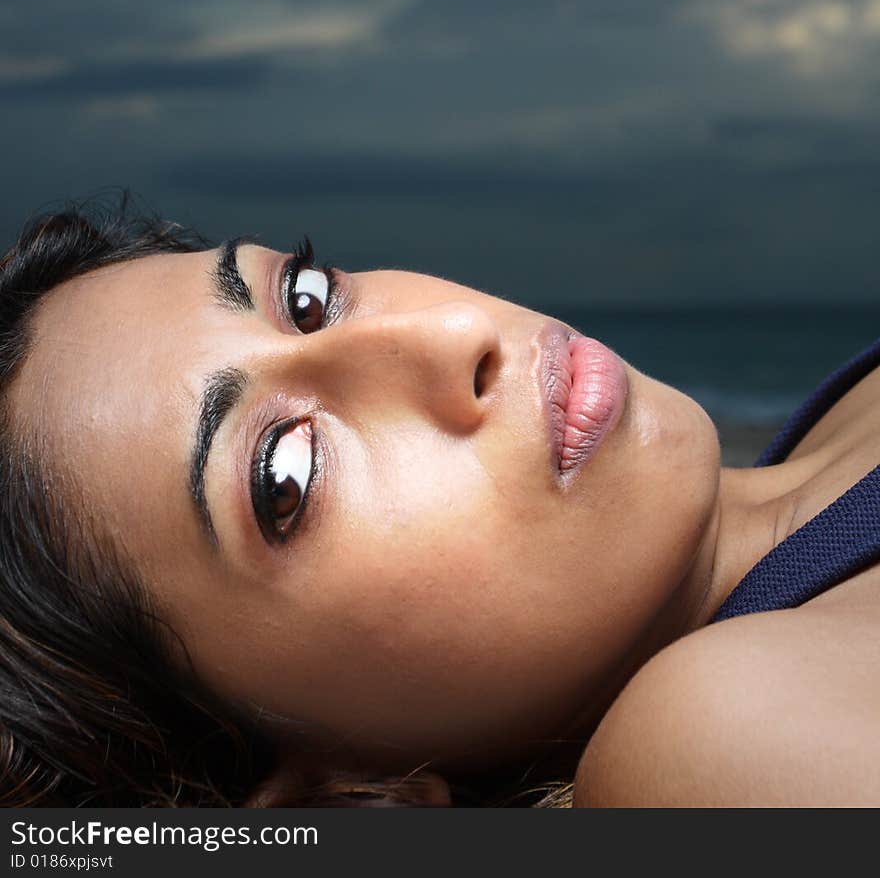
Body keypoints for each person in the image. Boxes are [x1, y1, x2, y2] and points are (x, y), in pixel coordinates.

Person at [0, 193, 878, 808]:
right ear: (339, 798)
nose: (452, 333)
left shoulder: (844, 424)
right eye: (286, 478)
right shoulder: (733, 736)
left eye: (307, 302)